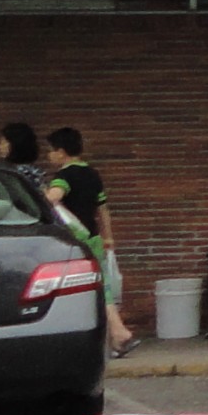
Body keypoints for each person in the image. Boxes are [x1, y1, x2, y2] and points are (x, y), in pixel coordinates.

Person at [47, 126, 139, 356]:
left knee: (96, 290)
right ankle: (113, 339)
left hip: (75, 240)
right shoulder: (92, 174)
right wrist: (108, 237)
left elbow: (53, 199)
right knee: (102, 286)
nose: (49, 156)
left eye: (51, 151)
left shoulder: (64, 176)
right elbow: (103, 209)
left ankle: (118, 333)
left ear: (61, 152)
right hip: (95, 237)